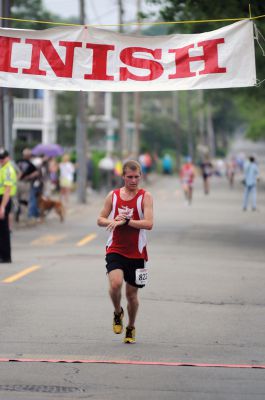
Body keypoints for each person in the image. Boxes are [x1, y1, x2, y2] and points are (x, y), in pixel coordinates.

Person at [97, 160, 153, 344]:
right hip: (115, 249)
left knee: (132, 295)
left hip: (137, 252)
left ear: (140, 176)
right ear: (123, 176)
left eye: (137, 177)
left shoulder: (145, 197)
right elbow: (100, 219)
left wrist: (127, 221)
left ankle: (130, 326)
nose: (134, 180)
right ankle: (117, 312)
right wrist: (114, 221)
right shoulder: (112, 196)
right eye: (130, 177)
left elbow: (149, 224)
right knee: (115, 284)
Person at [0, 149, 17, 263]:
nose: (1, 159)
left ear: (8, 157)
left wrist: (2, 206)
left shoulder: (8, 170)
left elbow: (7, 189)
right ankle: (3, 255)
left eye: (3, 157)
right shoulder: (4, 168)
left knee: (3, 230)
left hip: (4, 200)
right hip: (3, 200)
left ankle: (5, 256)